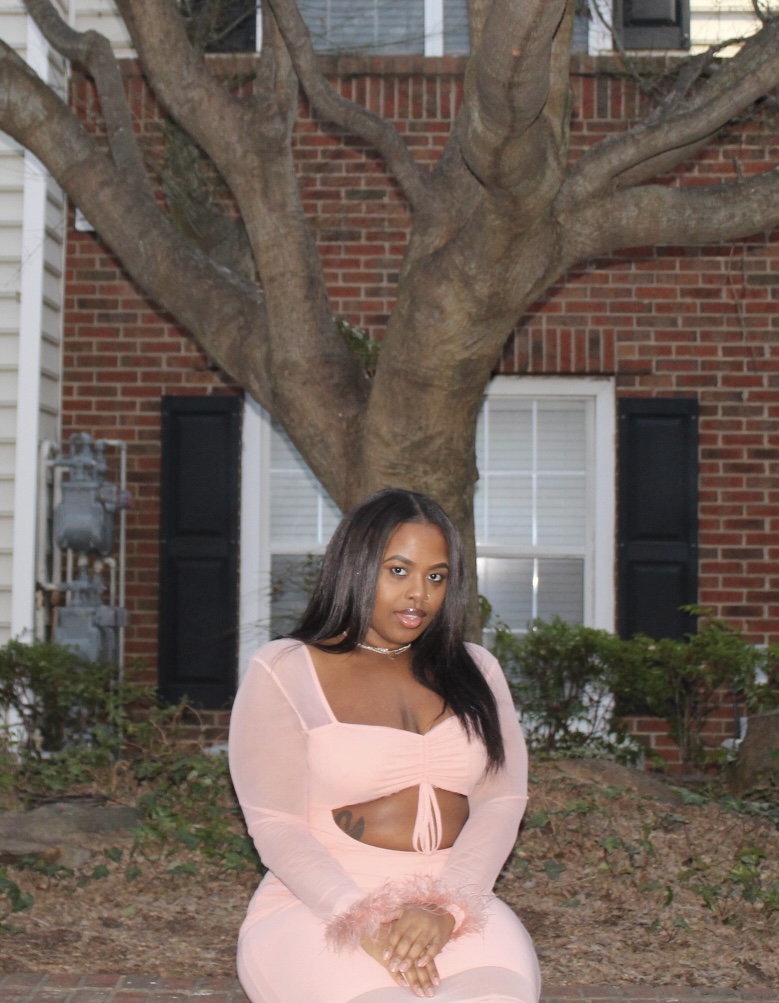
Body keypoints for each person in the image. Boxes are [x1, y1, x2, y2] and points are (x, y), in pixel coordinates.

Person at [228, 488, 540, 1003]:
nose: (419, 594)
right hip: (320, 906)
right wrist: (362, 919)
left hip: (455, 902)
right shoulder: (286, 670)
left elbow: (502, 802)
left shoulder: (476, 670)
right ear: (356, 566)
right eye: (399, 571)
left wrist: (447, 907)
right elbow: (275, 824)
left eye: (436, 577)